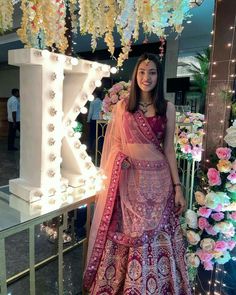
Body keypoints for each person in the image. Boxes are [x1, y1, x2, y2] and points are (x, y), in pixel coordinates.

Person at [83, 53, 192, 294]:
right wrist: (118, 161)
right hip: (129, 183)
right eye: (142, 72)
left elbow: (168, 151)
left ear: (158, 76)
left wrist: (177, 187)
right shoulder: (123, 107)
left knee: (158, 236)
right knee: (128, 234)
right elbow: (117, 145)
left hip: (159, 183)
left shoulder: (167, 108)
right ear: (135, 75)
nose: (146, 77)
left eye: (152, 72)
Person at [87, 90, 103, 154]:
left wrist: (88, 120)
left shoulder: (92, 102)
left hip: (93, 120)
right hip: (101, 120)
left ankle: (90, 149)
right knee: (100, 136)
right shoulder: (102, 102)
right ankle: (100, 150)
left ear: (95, 95)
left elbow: (90, 112)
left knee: (92, 135)